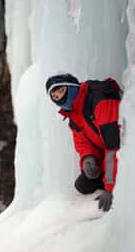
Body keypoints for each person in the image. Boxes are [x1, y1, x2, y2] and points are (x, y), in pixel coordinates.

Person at [45, 73, 122, 211]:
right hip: (110, 156)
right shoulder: (74, 114)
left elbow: (113, 147)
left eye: (62, 91)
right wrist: (89, 158)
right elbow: (82, 143)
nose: (61, 98)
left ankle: (120, 188)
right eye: (55, 97)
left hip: (127, 152)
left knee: (106, 186)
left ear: (73, 86)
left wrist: (110, 189)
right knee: (83, 185)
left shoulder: (101, 100)